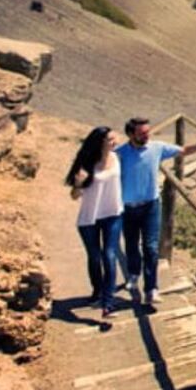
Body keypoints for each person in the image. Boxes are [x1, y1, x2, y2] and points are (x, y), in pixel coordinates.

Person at [117, 117, 196, 305]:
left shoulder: (157, 147)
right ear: (131, 134)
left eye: (148, 132)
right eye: (142, 133)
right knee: (132, 244)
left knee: (150, 247)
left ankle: (151, 289)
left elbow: (183, 151)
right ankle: (133, 274)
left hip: (151, 206)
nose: (147, 136)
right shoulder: (120, 153)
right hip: (128, 208)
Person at [64, 126, 124, 320]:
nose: (114, 142)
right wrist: (79, 184)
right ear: (100, 142)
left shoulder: (117, 158)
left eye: (114, 139)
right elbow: (74, 196)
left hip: (113, 214)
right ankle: (97, 291)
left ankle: (108, 303)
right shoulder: (86, 164)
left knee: (109, 255)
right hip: (89, 218)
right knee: (95, 257)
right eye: (110, 139)